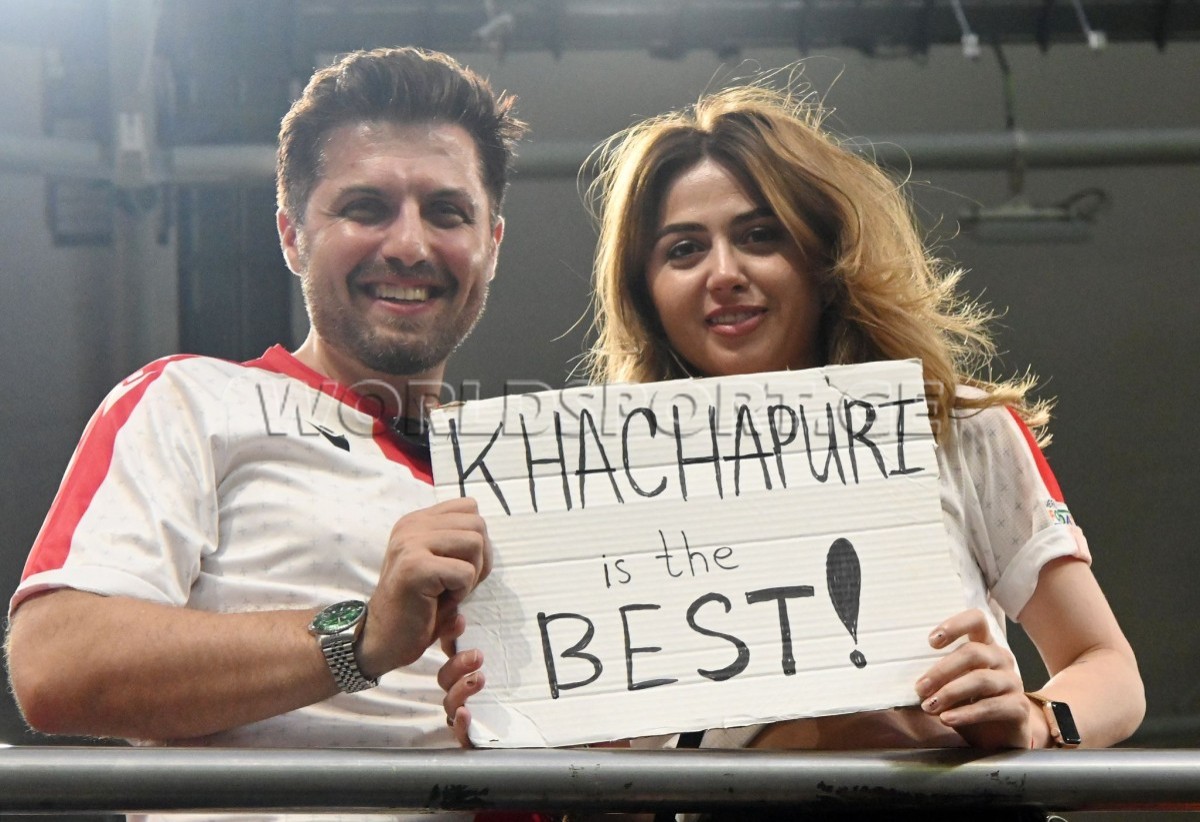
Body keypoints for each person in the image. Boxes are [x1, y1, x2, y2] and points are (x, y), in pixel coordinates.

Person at [439, 79, 1144, 791]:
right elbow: (605, 771)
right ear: (645, 292)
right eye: (684, 250)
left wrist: (1038, 719)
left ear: (824, 255)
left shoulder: (956, 425)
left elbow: (1109, 669)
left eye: (759, 236)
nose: (723, 274)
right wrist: (518, 724)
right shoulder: (589, 481)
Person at [6, 46, 526, 821]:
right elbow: (57, 662)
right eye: (366, 207)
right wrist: (362, 636)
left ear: (492, 243)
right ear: (291, 234)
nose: (409, 245)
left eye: (447, 212)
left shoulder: (538, 472)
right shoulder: (189, 400)